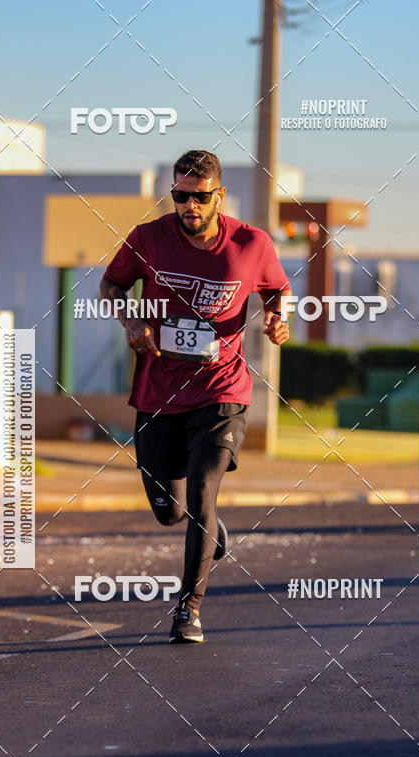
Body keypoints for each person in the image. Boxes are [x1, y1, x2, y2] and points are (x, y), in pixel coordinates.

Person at [100, 150, 289, 643]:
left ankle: (189, 609)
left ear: (218, 196)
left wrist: (275, 316)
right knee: (169, 510)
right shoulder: (148, 238)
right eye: (180, 195)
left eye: (198, 197)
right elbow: (111, 285)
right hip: (158, 393)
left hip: (221, 391)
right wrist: (131, 318)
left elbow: (275, 289)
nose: (188, 205)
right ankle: (211, 533)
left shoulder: (251, 243)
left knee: (204, 491)